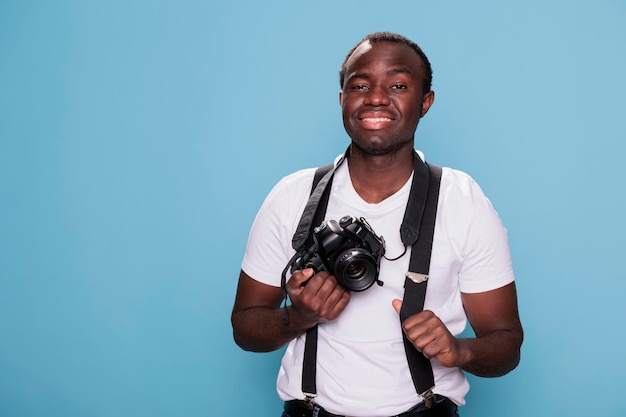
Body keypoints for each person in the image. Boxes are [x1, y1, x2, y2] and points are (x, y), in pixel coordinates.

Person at [231, 32, 523, 417]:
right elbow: (244, 327)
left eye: (398, 85)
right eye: (360, 85)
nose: (376, 97)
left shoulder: (461, 199)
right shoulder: (293, 195)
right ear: (342, 100)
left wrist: (459, 349)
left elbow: (506, 344)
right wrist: (297, 316)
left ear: (425, 102)